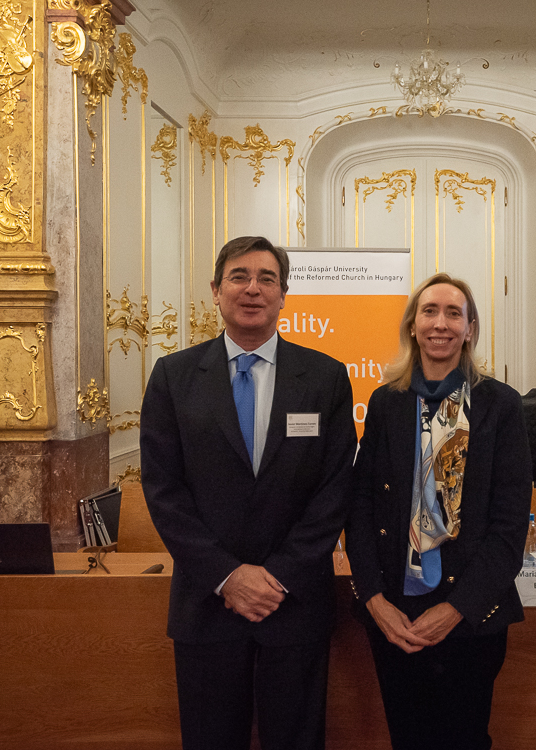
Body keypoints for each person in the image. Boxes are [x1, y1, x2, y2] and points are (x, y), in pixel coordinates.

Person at [140, 235, 356, 750]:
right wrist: (228, 576)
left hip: (294, 603)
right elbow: (164, 490)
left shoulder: (325, 377)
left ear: (284, 295)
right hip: (208, 603)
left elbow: (335, 489)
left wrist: (278, 576)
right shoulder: (173, 377)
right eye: (239, 277)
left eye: (267, 279)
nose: (252, 289)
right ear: (216, 291)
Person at [346, 273, 533, 750]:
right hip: (394, 614)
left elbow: (509, 526)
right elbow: (361, 506)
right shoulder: (386, 403)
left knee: (465, 739)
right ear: (413, 325)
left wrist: (456, 609)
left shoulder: (500, 405)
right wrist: (373, 600)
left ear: (470, 329)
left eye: (454, 314)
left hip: (470, 614)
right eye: (429, 311)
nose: (440, 324)